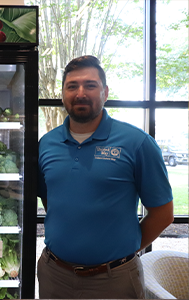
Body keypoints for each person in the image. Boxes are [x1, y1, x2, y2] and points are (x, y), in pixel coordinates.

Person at [37, 55, 174, 299]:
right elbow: (53, 201)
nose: (81, 93)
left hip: (115, 280)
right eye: (72, 86)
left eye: (90, 85)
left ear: (105, 92)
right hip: (54, 274)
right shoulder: (46, 144)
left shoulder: (138, 143)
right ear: (63, 94)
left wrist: (123, 252)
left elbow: (163, 214)